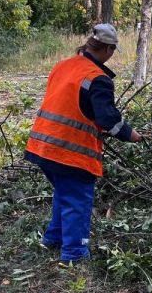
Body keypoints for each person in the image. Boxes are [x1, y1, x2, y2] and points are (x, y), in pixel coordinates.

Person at [25, 23, 142, 264]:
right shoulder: (98, 79)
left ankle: (53, 239)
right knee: (77, 202)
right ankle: (74, 255)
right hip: (70, 152)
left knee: (64, 194)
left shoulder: (64, 66)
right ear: (108, 49)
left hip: (42, 146)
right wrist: (131, 135)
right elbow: (107, 119)